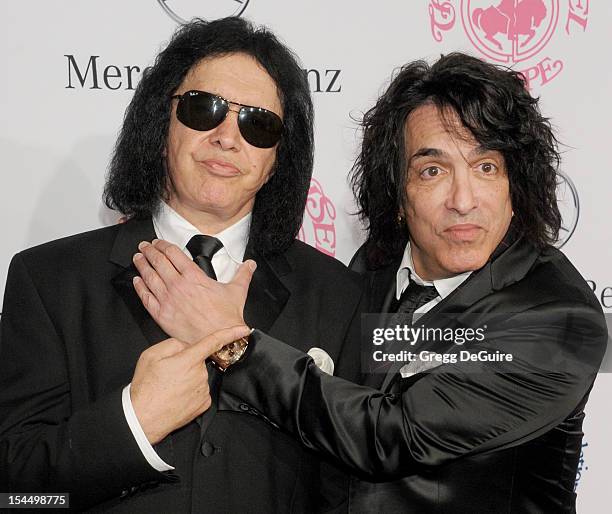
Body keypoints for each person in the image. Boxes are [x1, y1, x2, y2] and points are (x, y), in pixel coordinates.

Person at [131, 53, 607, 513]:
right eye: (433, 170)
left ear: (515, 186)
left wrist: (233, 344)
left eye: (486, 168)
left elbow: (390, 433)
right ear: (397, 193)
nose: (464, 200)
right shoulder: (373, 269)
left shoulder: (556, 317)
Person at [0, 17, 363, 512]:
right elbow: (17, 495)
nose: (227, 137)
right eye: (203, 109)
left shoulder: (337, 294)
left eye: (258, 124)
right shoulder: (49, 280)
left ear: (278, 157)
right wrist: (133, 422)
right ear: (160, 124)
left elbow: (350, 491)